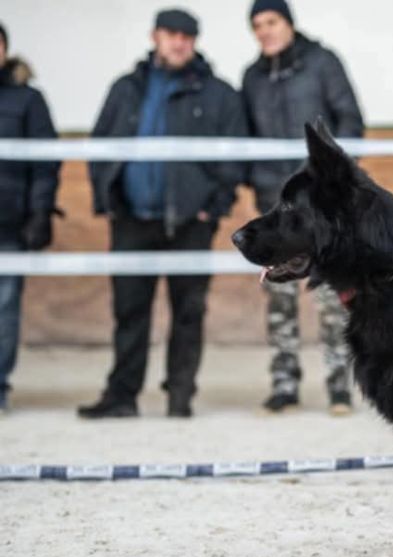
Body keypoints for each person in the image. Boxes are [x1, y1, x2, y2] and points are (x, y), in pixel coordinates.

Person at [78, 8, 247, 419]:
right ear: (155, 36)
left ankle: (179, 398)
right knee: (129, 311)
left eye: (187, 36)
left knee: (188, 312)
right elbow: (100, 145)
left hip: (192, 222)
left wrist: (214, 209)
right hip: (132, 218)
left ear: (195, 41)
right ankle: (121, 397)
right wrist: (109, 200)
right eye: (171, 34)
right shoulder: (126, 89)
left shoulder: (219, 94)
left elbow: (235, 157)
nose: (179, 42)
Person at [241, 0, 365, 415]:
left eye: (271, 21)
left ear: (288, 23)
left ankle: (339, 386)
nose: (265, 31)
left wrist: (328, 181)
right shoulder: (252, 77)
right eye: (257, 25)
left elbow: (350, 122)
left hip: (318, 208)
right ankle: (284, 382)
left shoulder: (323, 63)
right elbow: (245, 136)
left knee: (331, 295)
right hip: (272, 206)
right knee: (278, 296)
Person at [0, 22, 60, 415]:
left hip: (7, 224)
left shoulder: (27, 100)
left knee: (3, 309)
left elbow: (44, 163)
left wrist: (39, 212)